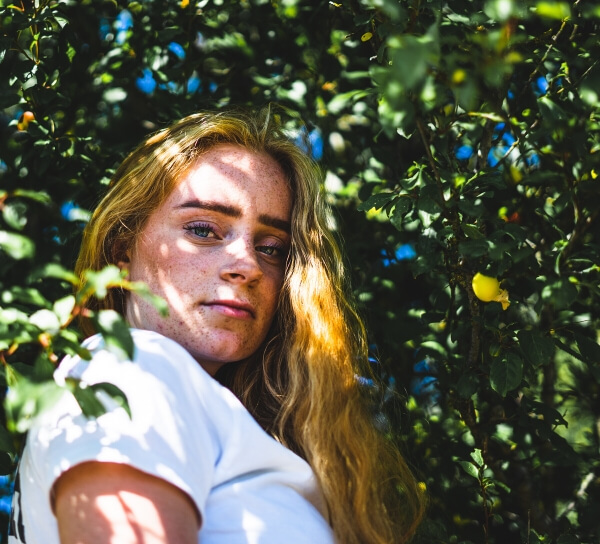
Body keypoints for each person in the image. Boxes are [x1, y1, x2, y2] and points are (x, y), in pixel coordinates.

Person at [10, 107, 426, 544]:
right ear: (122, 249)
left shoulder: (194, 407)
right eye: (204, 230)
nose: (247, 265)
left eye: (271, 248)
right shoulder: (133, 369)